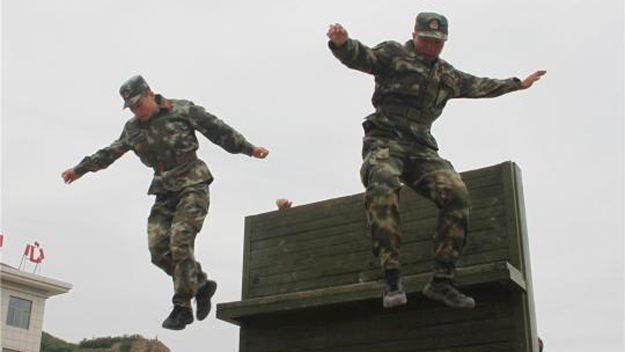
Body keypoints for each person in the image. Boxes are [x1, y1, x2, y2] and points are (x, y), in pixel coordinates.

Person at [327, 13, 545, 309]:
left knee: (456, 193)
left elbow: (480, 85)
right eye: (427, 40)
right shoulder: (394, 54)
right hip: (385, 140)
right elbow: (363, 57)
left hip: (421, 148)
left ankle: (442, 281)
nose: (432, 47)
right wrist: (342, 44)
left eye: (438, 43)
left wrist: (517, 84)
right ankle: (391, 276)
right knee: (384, 182)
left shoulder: (447, 75)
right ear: (414, 36)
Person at [61, 75, 269, 330]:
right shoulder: (132, 129)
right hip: (164, 191)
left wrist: (249, 148)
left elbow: (218, 130)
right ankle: (201, 284)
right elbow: (109, 153)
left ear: (150, 94)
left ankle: (182, 308)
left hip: (193, 184)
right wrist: (79, 169)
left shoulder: (182, 110)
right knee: (159, 251)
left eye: (139, 103)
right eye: (132, 107)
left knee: (180, 240)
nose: (137, 110)